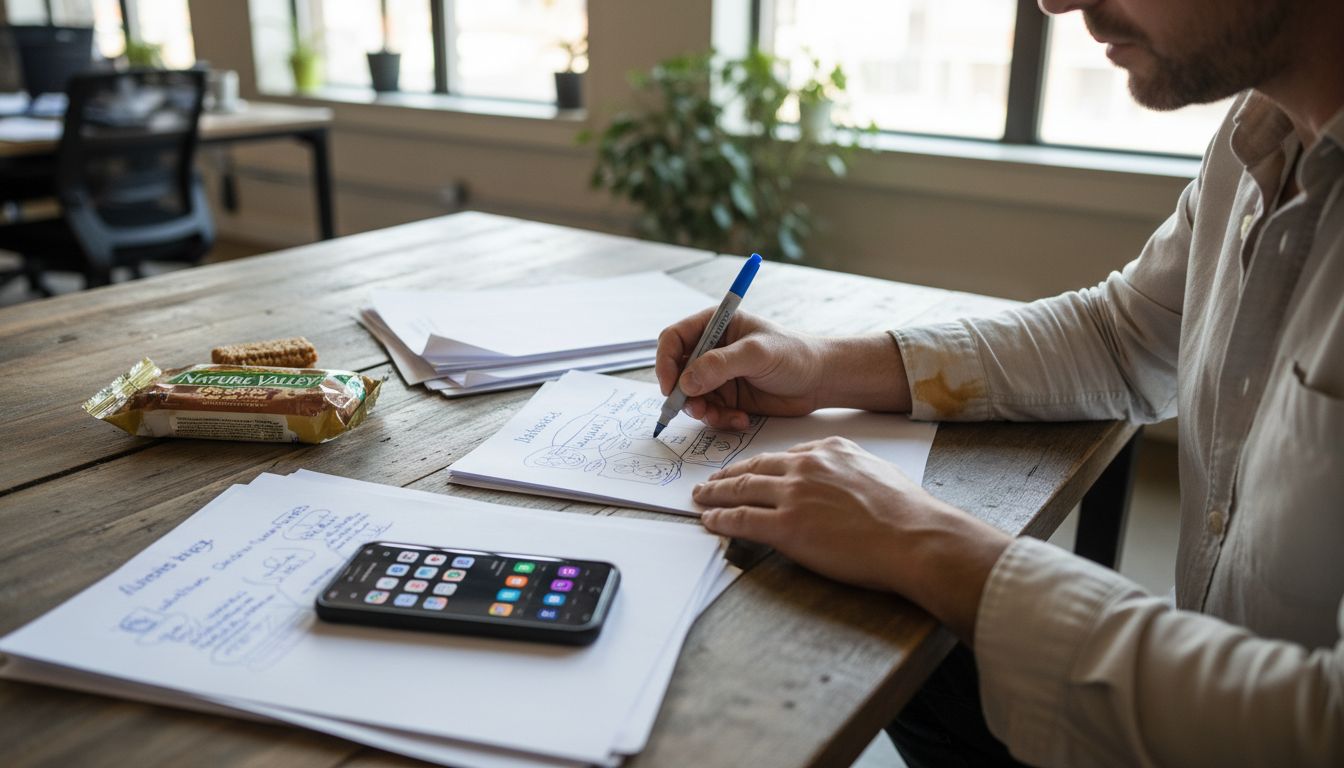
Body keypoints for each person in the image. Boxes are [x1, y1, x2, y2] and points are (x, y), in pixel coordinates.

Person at [654, 0, 1344, 765]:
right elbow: (1122, 339)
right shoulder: (1263, 130)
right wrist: (819, 368)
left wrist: (922, 538)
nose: (1053, 3)